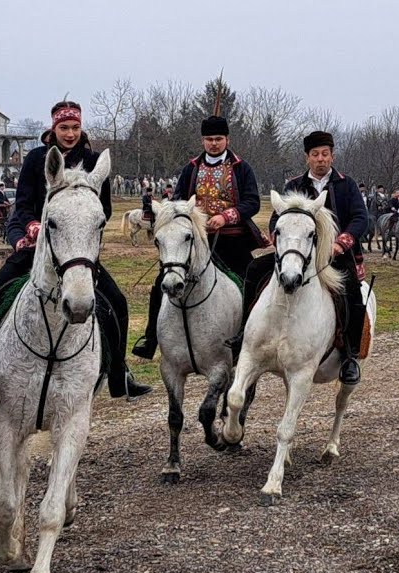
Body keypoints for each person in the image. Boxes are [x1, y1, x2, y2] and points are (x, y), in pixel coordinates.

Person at [0, 100, 152, 400]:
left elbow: (104, 209)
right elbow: (23, 204)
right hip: (37, 248)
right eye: (64, 127)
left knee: (117, 301)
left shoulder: (93, 162)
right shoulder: (36, 159)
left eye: (75, 127)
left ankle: (119, 373)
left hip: (76, 253)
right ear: (53, 129)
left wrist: (82, 227)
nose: (70, 133)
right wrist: (30, 229)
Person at [230, 130, 368, 384]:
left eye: (325, 154)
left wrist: (341, 243)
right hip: (295, 254)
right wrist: (277, 236)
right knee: (254, 270)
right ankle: (243, 335)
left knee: (352, 292)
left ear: (332, 156)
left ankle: (350, 355)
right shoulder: (294, 185)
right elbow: (277, 217)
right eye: (315, 154)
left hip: (334, 254)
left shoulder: (346, 184)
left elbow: (360, 218)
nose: (320, 159)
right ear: (307, 157)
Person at [131, 107, 264, 359]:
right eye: (209, 139)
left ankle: (247, 335)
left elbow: (252, 202)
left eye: (218, 139)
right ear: (203, 141)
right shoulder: (191, 168)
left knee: (251, 278)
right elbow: (178, 200)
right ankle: (151, 338)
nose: (214, 144)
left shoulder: (241, 168)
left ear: (227, 140)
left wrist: (225, 217)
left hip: (232, 239)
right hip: (194, 240)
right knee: (162, 281)